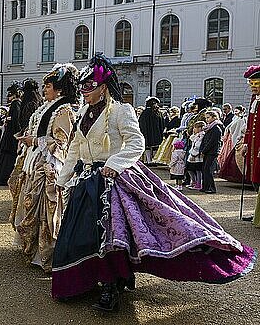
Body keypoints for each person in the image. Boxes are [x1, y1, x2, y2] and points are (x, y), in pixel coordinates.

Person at [51, 53, 255, 312]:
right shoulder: (82, 114)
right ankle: (84, 279)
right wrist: (64, 177)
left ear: (103, 87)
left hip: (114, 179)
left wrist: (115, 164)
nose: (84, 92)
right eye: (82, 87)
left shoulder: (121, 111)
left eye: (89, 86)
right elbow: (75, 148)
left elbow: (136, 142)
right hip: (87, 181)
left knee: (113, 236)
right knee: (83, 234)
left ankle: (112, 286)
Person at [13, 64, 78, 272]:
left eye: (48, 86)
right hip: (36, 159)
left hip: (49, 163)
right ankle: (33, 248)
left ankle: (46, 252)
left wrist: (34, 141)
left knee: (47, 205)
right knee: (30, 200)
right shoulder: (46, 107)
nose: (44, 89)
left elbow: (61, 142)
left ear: (59, 88)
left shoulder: (64, 110)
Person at [9, 78, 44, 232]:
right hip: (29, 141)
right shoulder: (36, 103)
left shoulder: (29, 103)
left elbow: (25, 122)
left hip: (33, 144)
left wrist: (25, 134)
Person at [0, 83, 22, 186]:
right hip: (10, 134)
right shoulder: (16, 104)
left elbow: (15, 120)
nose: (8, 97)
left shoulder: (16, 104)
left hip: (10, 135)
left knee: (7, 156)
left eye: (10, 94)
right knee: (7, 156)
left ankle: (3, 177)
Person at [241, 65, 260, 225]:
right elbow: (250, 125)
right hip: (253, 147)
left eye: (256, 84)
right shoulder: (254, 100)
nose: (253, 87)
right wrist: (246, 143)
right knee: (254, 179)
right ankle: (256, 212)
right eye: (251, 83)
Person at [218, 105, 247, 183]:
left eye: (237, 111)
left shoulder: (241, 119)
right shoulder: (235, 118)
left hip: (236, 137)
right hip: (230, 137)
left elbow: (239, 129)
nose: (236, 112)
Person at [200, 109, 224, 194]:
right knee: (204, 169)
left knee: (208, 169)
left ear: (214, 117)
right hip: (207, 151)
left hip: (212, 152)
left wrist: (204, 150)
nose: (206, 119)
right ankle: (205, 186)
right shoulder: (209, 127)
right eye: (206, 118)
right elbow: (205, 140)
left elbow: (212, 142)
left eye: (208, 117)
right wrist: (202, 149)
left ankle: (212, 188)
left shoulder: (216, 128)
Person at [138, 96, 164, 164]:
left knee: (148, 147)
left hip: (147, 133)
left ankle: (149, 161)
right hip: (156, 133)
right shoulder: (158, 112)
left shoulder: (144, 113)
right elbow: (162, 124)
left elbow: (141, 124)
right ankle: (154, 160)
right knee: (155, 146)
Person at [186, 121, 206, 190]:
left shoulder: (202, 135)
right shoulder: (197, 134)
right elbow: (192, 139)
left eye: (195, 128)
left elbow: (198, 145)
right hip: (192, 154)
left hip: (197, 155)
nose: (194, 129)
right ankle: (193, 181)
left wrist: (194, 152)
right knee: (189, 168)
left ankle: (198, 183)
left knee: (198, 170)